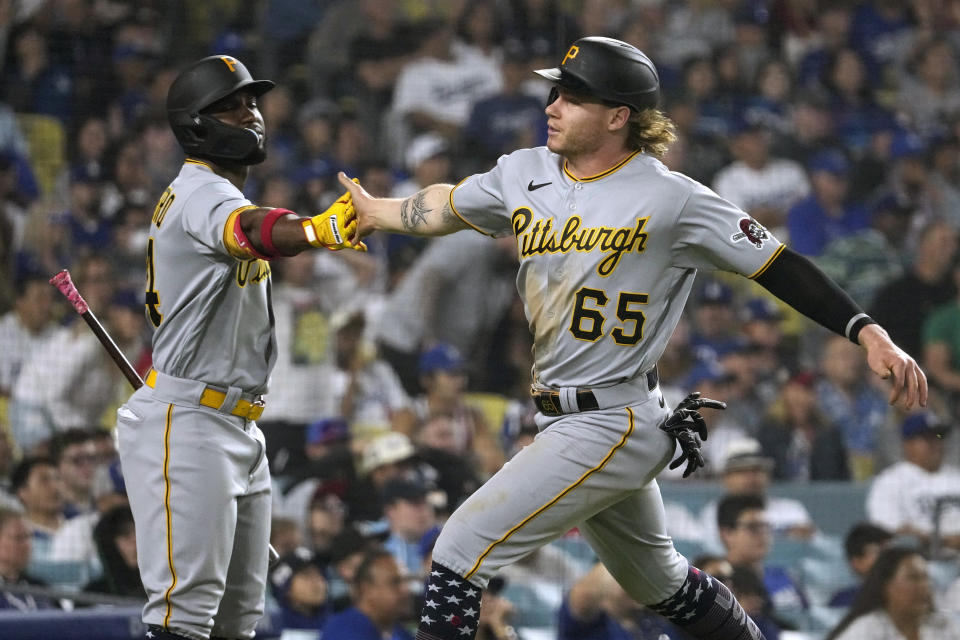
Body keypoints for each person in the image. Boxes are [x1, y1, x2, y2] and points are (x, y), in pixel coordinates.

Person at [338, 36, 927, 640]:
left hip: (611, 417)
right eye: (554, 90)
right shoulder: (524, 171)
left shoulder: (671, 198)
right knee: (661, 583)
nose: (552, 104)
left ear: (618, 115)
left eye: (573, 96)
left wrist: (867, 331)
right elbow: (448, 205)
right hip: (565, 416)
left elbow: (778, 264)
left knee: (458, 550)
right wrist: (379, 211)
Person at [115, 54, 365, 640]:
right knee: (183, 621)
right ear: (196, 123)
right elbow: (251, 230)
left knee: (235, 624)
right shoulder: (200, 191)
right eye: (233, 105)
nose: (251, 115)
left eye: (254, 102)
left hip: (236, 424)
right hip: (191, 420)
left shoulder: (209, 191)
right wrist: (315, 229)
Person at [866, 411, 960, 552]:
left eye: (939, 437)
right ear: (907, 444)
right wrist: (945, 540)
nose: (936, 443)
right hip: (920, 559)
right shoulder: (889, 481)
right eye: (927, 438)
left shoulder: (956, 477)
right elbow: (891, 532)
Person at [826, 546, 960, 640]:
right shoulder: (867, 629)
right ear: (886, 586)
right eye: (913, 578)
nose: (924, 586)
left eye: (925, 577)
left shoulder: (942, 626)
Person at [320, 548, 414, 640]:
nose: (405, 590)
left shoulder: (397, 631)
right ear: (367, 590)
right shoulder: (342, 632)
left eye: (405, 581)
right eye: (394, 583)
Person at [828, 522, 894, 608]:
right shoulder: (844, 602)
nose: (890, 558)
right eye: (880, 552)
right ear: (857, 562)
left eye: (892, 552)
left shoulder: (911, 595)